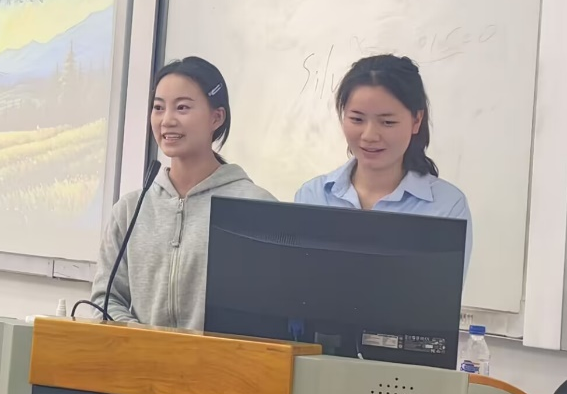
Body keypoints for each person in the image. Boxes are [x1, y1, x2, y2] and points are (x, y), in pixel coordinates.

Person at [89, 56, 275, 330]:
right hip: (140, 355)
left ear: (216, 117)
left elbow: (270, 312)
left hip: (221, 357)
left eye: (182, 107)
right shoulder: (130, 209)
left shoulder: (257, 208)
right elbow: (106, 301)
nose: (167, 120)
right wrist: (143, 339)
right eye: (158, 107)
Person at [295, 54, 473, 277]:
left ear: (416, 121)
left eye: (388, 122)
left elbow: (438, 295)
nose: (369, 136)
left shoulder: (447, 206)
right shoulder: (313, 196)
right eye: (357, 119)